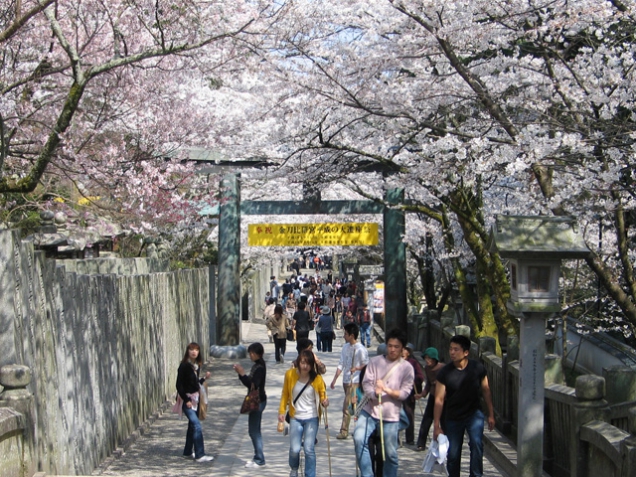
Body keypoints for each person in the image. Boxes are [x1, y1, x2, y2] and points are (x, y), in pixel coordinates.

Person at [353, 329, 414, 477]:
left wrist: (385, 389)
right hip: (370, 410)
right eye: (390, 345)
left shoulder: (407, 368)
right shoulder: (375, 362)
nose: (392, 349)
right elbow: (366, 383)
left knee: (390, 453)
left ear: (402, 348)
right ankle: (367, 473)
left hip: (390, 414)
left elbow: (404, 393)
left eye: (396, 346)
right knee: (359, 438)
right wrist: (374, 393)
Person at [433, 335, 495, 477]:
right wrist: (436, 426)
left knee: (476, 445)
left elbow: (486, 390)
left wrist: (491, 414)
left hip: (474, 414)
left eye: (456, 349)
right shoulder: (445, 372)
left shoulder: (477, 368)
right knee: (453, 453)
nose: (452, 353)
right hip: (453, 416)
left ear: (466, 352)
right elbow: (439, 399)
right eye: (450, 349)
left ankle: (476, 474)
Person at [279, 349, 329, 477]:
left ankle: (310, 474)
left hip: (312, 417)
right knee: (295, 449)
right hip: (295, 417)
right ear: (298, 362)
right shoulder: (290, 375)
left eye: (308, 363)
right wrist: (282, 411)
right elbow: (285, 394)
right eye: (302, 362)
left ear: (312, 365)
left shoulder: (317, 379)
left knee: (309, 449)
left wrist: (324, 401)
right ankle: (294, 468)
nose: (305, 366)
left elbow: (323, 394)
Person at [330, 322, 369, 439]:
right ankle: (358, 428)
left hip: (355, 381)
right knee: (354, 406)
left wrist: (356, 368)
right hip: (346, 380)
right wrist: (334, 379)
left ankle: (344, 431)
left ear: (352, 335)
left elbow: (367, 365)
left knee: (347, 406)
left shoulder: (361, 349)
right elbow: (341, 363)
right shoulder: (345, 347)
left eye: (346, 334)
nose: (344, 336)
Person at [176, 342, 213, 462]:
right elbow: (179, 385)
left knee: (192, 426)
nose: (194, 352)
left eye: (196, 350)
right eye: (191, 349)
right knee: (196, 425)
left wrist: (203, 378)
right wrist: (186, 400)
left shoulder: (195, 366)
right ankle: (200, 454)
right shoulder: (184, 366)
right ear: (187, 351)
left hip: (196, 399)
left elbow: (194, 383)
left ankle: (187, 452)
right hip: (188, 400)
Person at [233, 342, 267, 468]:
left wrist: (242, 374)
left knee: (254, 431)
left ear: (259, 354)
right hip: (259, 399)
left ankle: (259, 459)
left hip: (258, 401)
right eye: (250, 353)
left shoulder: (260, 368)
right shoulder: (258, 365)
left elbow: (253, 385)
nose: (251, 355)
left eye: (253, 353)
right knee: (255, 430)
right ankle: (258, 456)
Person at [416, 347, 444, 450]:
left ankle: (443, 445)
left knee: (443, 421)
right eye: (426, 358)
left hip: (443, 397)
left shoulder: (442, 368)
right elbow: (428, 383)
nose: (427, 361)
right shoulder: (427, 369)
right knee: (427, 419)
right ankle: (421, 443)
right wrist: (422, 394)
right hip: (433, 396)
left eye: (430, 358)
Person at [401, 344, 424, 446]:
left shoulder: (413, 363)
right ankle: (396, 437)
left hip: (410, 393)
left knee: (409, 413)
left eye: (404, 349)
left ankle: (409, 438)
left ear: (408, 352)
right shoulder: (396, 362)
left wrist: (413, 380)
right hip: (397, 391)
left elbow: (420, 377)